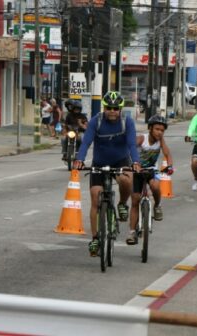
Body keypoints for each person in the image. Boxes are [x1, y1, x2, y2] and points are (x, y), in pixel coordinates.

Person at [73, 91, 141, 257]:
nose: (112, 111)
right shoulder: (96, 121)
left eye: (115, 108)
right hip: (99, 162)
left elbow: (132, 144)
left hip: (120, 160)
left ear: (120, 109)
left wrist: (136, 162)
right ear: (104, 108)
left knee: (126, 180)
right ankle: (95, 238)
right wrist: (79, 160)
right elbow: (86, 142)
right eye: (109, 108)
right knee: (95, 197)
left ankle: (122, 204)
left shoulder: (127, 122)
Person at [126, 115, 173, 245]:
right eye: (157, 129)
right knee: (135, 199)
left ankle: (157, 205)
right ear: (150, 128)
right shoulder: (142, 139)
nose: (160, 132)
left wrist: (169, 166)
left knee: (156, 187)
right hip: (137, 171)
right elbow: (130, 148)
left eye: (162, 130)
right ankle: (132, 232)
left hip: (152, 170)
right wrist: (131, 163)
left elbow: (167, 154)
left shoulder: (161, 140)